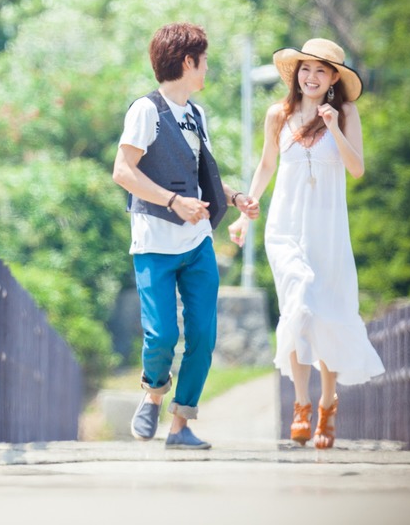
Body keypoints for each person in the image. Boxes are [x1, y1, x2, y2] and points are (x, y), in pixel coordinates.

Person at [229, 38, 384, 449]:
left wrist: (333, 126)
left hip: (328, 230)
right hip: (285, 227)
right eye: (305, 69)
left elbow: (356, 170)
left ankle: (328, 403)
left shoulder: (346, 113)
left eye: (320, 70)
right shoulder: (278, 115)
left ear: (334, 78)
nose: (311, 77)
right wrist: (246, 214)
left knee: (328, 311)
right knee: (298, 304)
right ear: (295, 74)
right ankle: (301, 404)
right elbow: (266, 166)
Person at [112, 23, 259, 450]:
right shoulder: (145, 110)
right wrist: (174, 202)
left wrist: (233, 197)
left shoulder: (197, 114)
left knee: (203, 337)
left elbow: (198, 177)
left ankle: (180, 426)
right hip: (154, 244)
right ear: (187, 62)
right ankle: (154, 393)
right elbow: (123, 172)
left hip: (196, 245)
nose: (207, 67)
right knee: (161, 336)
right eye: (205, 60)